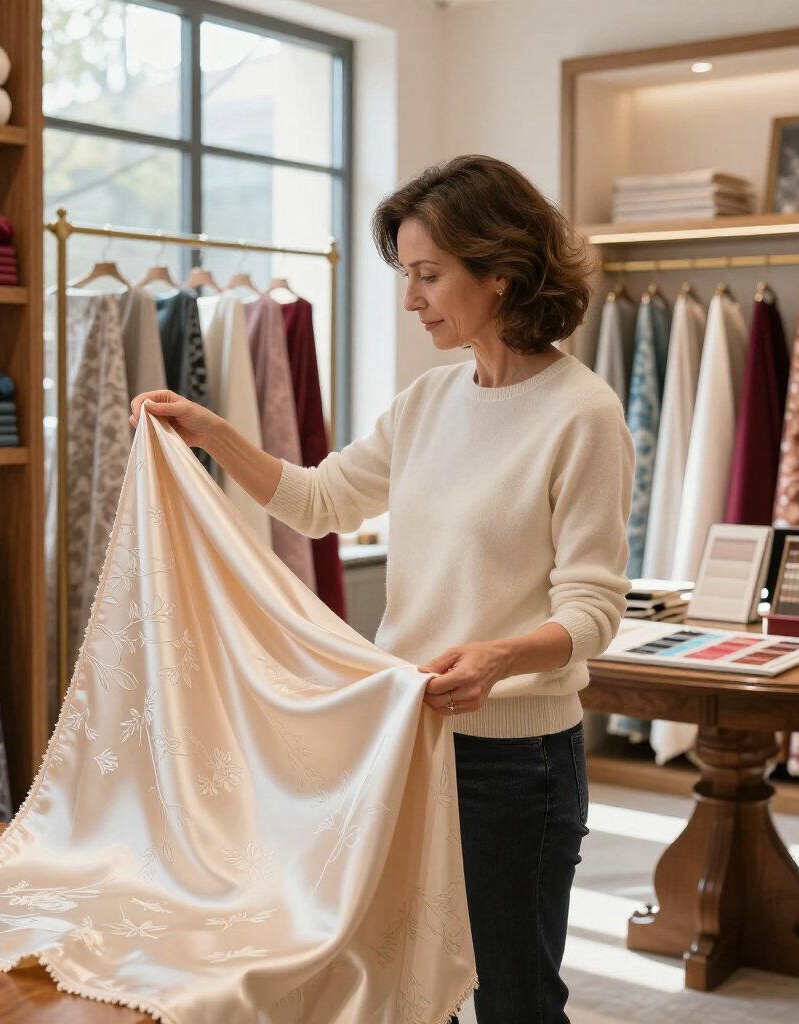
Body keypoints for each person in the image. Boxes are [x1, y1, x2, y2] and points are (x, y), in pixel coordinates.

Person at [130, 154, 634, 1024]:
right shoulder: (427, 400)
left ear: (501, 270)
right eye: (406, 275)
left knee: (514, 998)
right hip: (406, 743)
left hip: (516, 766)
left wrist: (501, 657)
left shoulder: (583, 414)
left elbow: (593, 609)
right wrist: (212, 433)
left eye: (429, 276)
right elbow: (320, 500)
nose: (411, 300)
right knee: (404, 985)